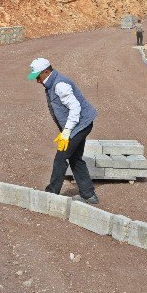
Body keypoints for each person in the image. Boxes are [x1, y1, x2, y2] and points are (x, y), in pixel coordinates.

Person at [28, 58, 99, 204]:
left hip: (79, 125)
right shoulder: (52, 83)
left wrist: (66, 131)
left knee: (60, 158)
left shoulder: (59, 85)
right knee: (75, 158)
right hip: (80, 124)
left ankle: (51, 194)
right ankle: (89, 195)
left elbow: (75, 107)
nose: (37, 81)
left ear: (46, 71)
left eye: (38, 77)